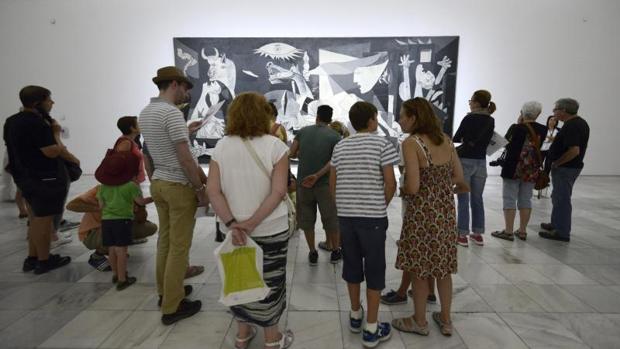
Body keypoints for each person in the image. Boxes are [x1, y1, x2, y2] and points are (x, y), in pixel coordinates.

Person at [207, 92, 294, 349]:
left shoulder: (222, 146)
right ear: (264, 114)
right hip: (270, 228)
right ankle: (272, 339)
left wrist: (234, 223)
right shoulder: (276, 147)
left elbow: (213, 191)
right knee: (270, 281)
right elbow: (279, 192)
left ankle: (242, 336)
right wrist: (253, 222)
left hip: (233, 231)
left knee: (238, 280)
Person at [392, 98, 468, 337]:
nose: (400, 120)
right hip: (444, 212)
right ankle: (445, 320)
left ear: (414, 118)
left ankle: (419, 321)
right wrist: (439, 186)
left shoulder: (411, 143)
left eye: (403, 115)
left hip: (422, 215)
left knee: (420, 269)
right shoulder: (445, 140)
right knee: (443, 269)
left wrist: (402, 189)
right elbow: (458, 176)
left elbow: (413, 187)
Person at [139, 66, 207, 325]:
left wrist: (186, 130)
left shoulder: (147, 112)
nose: (187, 94)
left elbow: (159, 147)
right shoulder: (171, 113)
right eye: (186, 88)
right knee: (179, 247)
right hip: (178, 186)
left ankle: (166, 292)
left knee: (165, 243)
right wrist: (200, 189)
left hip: (158, 183)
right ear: (176, 84)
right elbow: (185, 159)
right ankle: (172, 306)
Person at [330, 101, 398, 348]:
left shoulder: (341, 146)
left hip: (346, 218)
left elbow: (333, 184)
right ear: (372, 120)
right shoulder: (382, 144)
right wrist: (380, 204)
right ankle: (371, 329)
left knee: (352, 266)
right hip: (373, 220)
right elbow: (390, 183)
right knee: (375, 268)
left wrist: (344, 207)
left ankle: (355, 315)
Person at [3, 86, 79, 274]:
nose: (52, 103)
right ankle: (44, 260)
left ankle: (32, 258)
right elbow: (51, 151)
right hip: (45, 178)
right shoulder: (38, 123)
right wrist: (56, 134)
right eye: (49, 100)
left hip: (24, 177)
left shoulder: (12, 121)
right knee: (44, 221)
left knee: (35, 218)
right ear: (38, 102)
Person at [289, 105, 341, 265]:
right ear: (330, 119)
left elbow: (291, 153)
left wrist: (302, 152)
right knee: (331, 219)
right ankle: (335, 251)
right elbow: (334, 161)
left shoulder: (303, 132)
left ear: (317, 116)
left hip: (304, 184)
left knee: (307, 219)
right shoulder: (335, 136)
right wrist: (318, 175)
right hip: (326, 185)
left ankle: (312, 252)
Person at [95, 151, 153, 290]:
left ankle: (116, 274)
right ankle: (122, 279)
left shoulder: (102, 187)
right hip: (123, 221)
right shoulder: (130, 186)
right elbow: (140, 201)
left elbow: (101, 206)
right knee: (122, 251)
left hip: (107, 221)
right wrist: (154, 198)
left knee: (112, 249)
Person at [66, 185, 157, 271]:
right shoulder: (99, 189)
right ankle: (97, 256)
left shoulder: (131, 189)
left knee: (149, 227)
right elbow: (71, 205)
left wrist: (139, 208)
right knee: (116, 228)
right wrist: (103, 208)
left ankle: (119, 245)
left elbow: (141, 219)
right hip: (93, 232)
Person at [490, 102, 547, 241]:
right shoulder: (543, 129)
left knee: (509, 198)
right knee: (526, 199)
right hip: (531, 169)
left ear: (522, 112)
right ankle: (522, 231)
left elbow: (506, 144)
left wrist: (518, 124)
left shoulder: (516, 128)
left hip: (513, 168)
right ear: (538, 114)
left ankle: (508, 231)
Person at [539, 98, 589, 242]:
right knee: (558, 196)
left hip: (566, 168)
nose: (554, 112)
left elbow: (574, 150)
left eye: (555, 109)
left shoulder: (572, 126)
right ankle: (556, 224)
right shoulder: (579, 122)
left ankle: (561, 231)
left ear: (564, 110)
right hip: (569, 168)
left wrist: (557, 163)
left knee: (562, 199)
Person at [452, 89, 495, 247]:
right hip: (481, 162)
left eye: (471, 100)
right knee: (477, 199)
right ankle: (477, 234)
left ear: (476, 103)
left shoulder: (469, 118)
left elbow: (456, 137)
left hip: (465, 161)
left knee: (463, 197)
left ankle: (462, 234)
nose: (469, 103)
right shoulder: (491, 120)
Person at [114, 116, 146, 183]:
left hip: (133, 181)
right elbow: (120, 164)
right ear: (132, 128)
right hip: (130, 182)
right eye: (138, 124)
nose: (141, 125)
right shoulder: (126, 143)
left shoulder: (130, 141)